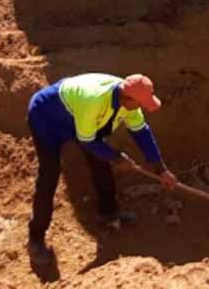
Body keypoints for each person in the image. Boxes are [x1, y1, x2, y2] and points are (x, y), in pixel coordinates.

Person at [26, 73, 177, 264]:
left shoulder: (128, 102)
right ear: (127, 98)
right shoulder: (94, 100)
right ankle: (35, 239)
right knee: (49, 175)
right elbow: (87, 140)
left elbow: (141, 133)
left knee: (100, 161)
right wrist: (117, 157)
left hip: (76, 117)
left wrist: (161, 169)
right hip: (47, 116)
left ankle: (108, 212)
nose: (141, 108)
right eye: (140, 103)